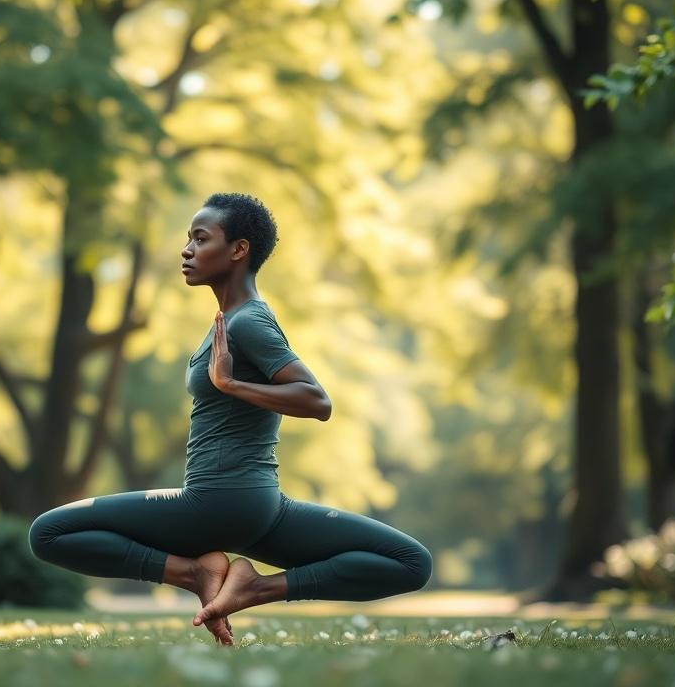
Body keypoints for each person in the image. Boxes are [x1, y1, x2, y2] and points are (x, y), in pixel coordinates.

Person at [28, 192, 432, 646]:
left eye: (201, 239)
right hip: (259, 509)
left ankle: (200, 574)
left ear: (238, 249)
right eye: (188, 239)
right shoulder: (230, 320)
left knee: (50, 531)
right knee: (410, 561)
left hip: (218, 501)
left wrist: (233, 385)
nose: (187, 250)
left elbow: (316, 400)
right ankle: (249, 584)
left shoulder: (248, 322)